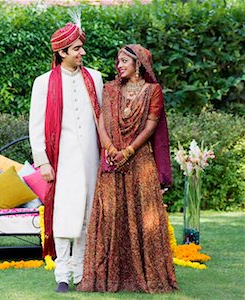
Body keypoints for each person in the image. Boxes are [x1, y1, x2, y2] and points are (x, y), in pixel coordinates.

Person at [77, 44, 178, 293]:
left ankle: (146, 275)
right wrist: (111, 149)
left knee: (144, 218)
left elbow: (151, 126)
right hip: (112, 161)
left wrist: (129, 151)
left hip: (140, 161)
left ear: (138, 64)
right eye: (118, 61)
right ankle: (109, 277)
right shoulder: (110, 89)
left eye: (124, 61)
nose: (119, 65)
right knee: (111, 215)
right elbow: (100, 121)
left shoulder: (153, 91)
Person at [29, 19, 103, 293]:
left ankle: (82, 273)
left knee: (86, 216)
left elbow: (102, 121)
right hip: (60, 161)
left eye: (82, 48)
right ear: (62, 52)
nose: (82, 53)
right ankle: (62, 274)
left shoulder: (95, 78)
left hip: (90, 159)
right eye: (76, 49)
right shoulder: (43, 82)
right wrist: (43, 161)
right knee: (62, 216)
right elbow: (35, 126)